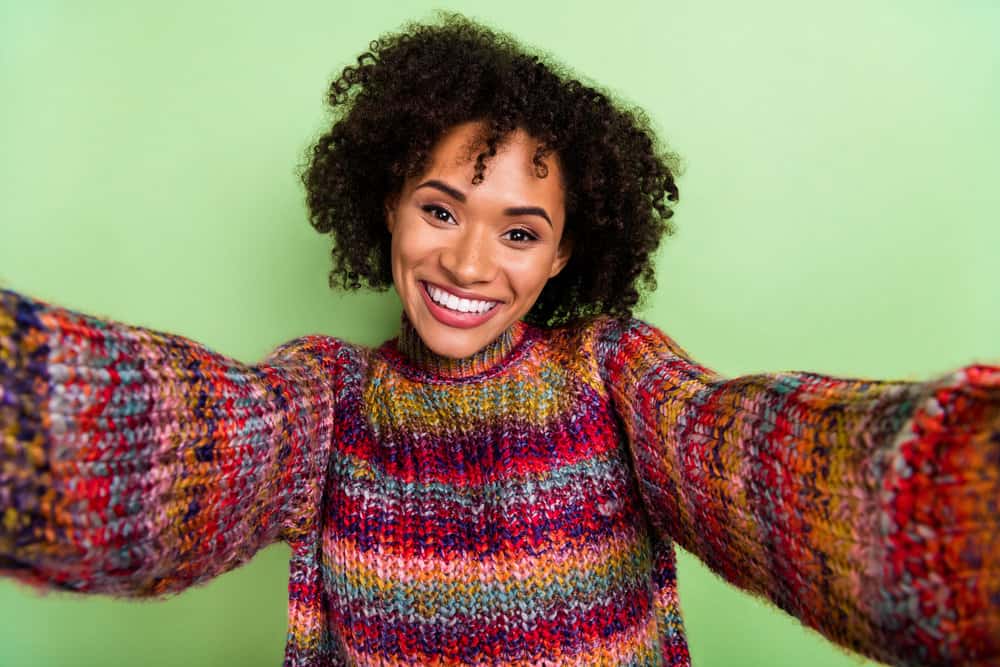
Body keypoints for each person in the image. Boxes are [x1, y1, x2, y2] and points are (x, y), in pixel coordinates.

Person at [1, 12, 997, 667]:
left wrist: (962, 496)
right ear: (387, 205)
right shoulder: (326, 401)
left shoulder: (613, 375)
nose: (471, 262)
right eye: (441, 210)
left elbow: (749, 460)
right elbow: (181, 436)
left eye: (520, 231)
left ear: (564, 253)